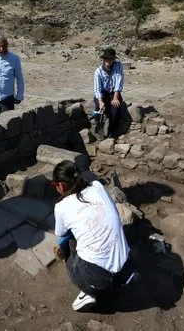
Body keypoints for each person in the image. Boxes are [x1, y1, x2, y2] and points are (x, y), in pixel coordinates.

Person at [51, 160, 135, 312]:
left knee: (67, 241)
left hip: (97, 280)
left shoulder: (61, 207)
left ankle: (88, 292)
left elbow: (61, 234)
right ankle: (118, 282)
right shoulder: (97, 186)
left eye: (54, 185)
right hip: (127, 268)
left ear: (61, 186)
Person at [93, 47, 124, 138]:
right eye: (106, 58)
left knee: (115, 108)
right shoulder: (98, 72)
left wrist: (115, 98)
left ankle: (113, 130)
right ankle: (100, 131)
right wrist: (101, 101)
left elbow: (119, 81)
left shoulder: (118, 66)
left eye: (111, 59)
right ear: (103, 59)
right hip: (102, 93)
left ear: (114, 60)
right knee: (99, 108)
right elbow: (97, 89)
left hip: (113, 92)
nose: (109, 61)